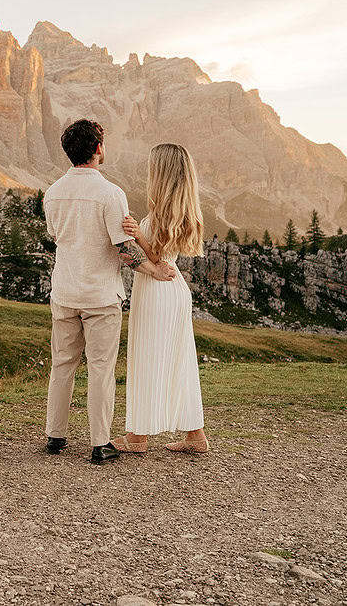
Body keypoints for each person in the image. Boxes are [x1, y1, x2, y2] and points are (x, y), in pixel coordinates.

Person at [43, 120, 177, 464]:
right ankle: (99, 443)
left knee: (62, 365)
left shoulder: (52, 192)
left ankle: (55, 437)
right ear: (98, 149)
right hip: (101, 296)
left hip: (64, 292)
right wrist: (156, 270)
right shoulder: (110, 193)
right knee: (100, 369)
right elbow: (125, 251)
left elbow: (58, 236)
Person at [111, 143, 208, 454]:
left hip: (156, 289)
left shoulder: (160, 213)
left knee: (146, 356)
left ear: (162, 173)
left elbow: (156, 255)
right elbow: (167, 255)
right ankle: (196, 435)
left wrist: (137, 234)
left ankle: (137, 437)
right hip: (176, 288)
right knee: (181, 360)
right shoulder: (183, 208)